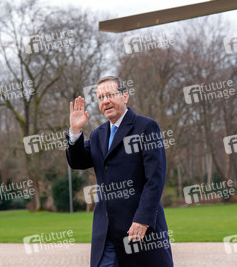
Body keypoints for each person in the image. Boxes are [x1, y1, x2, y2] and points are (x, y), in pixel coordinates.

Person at [65, 76, 174, 267]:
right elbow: (78, 161)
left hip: (139, 231)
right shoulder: (98, 134)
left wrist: (143, 219)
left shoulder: (146, 127)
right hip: (105, 234)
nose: (105, 101)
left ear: (125, 96)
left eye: (110, 95)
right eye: (100, 97)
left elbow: (155, 179)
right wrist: (75, 132)